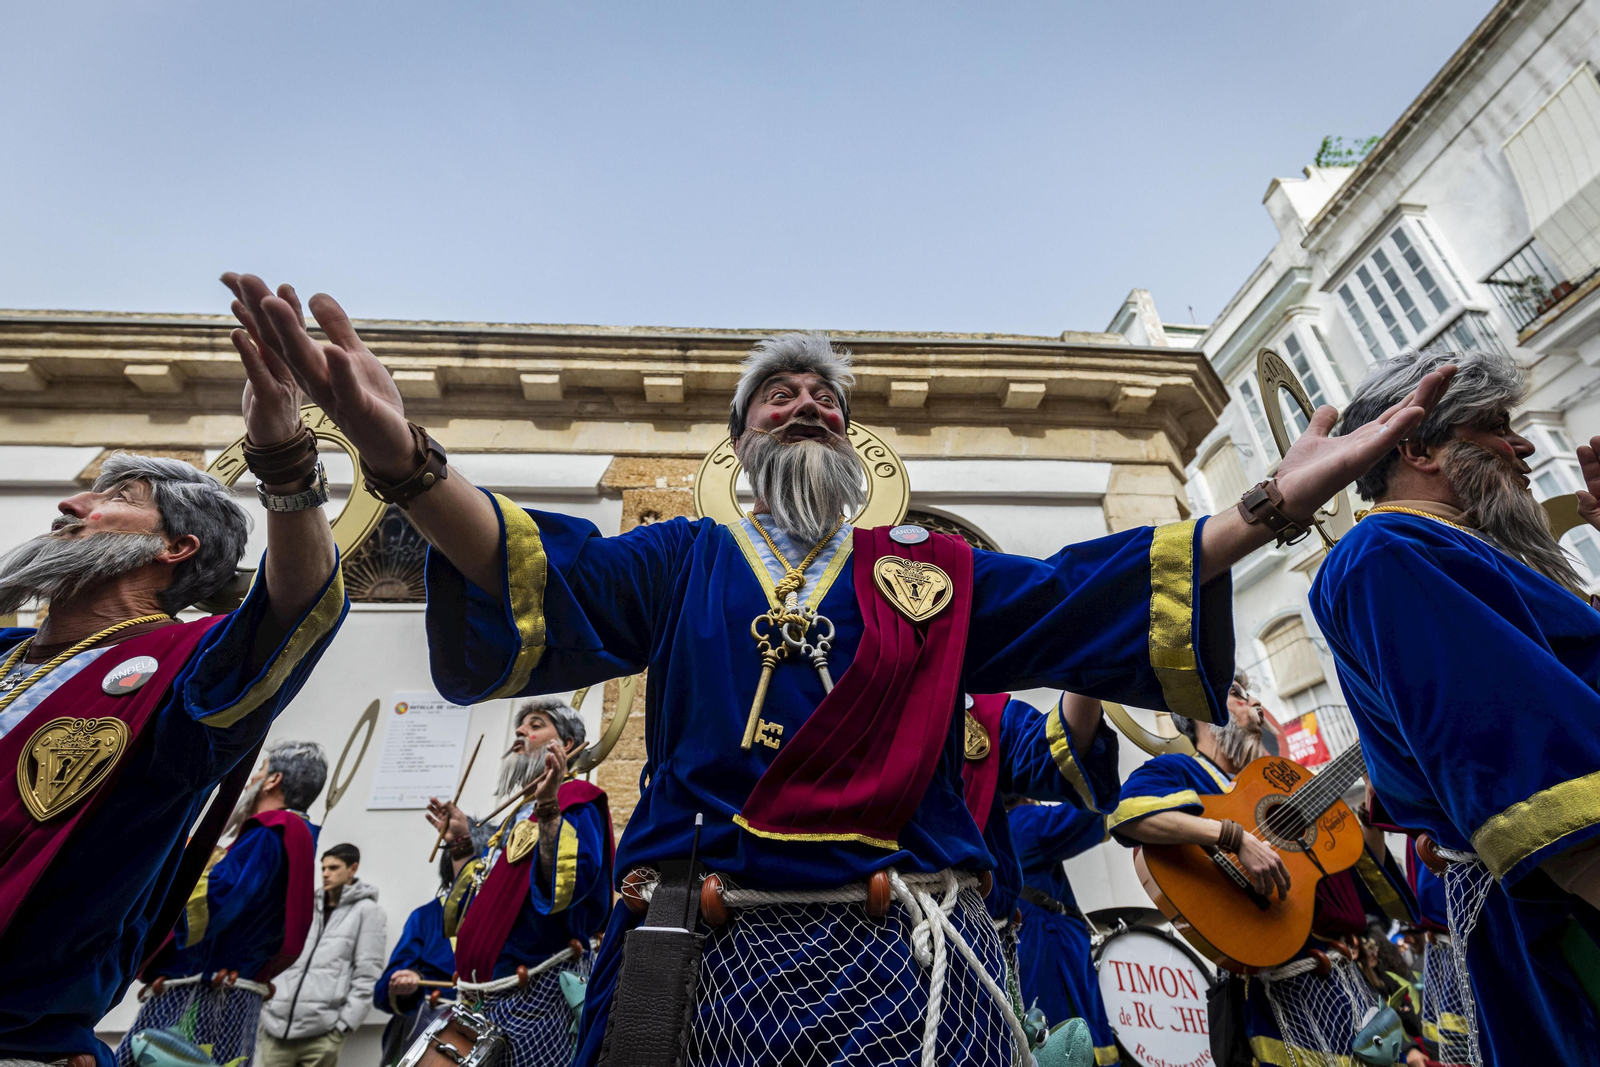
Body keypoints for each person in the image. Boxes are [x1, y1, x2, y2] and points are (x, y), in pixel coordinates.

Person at [226, 271, 1450, 1066]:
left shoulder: (934, 569)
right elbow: (522, 561)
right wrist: (399, 458)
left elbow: (1099, 577)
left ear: (853, 443)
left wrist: (1274, 503)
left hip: (911, 955)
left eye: (825, 395)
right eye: (777, 395)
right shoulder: (683, 558)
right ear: (741, 442)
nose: (805, 403)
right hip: (696, 956)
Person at [0, 308, 346, 1067]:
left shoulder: (186, 665)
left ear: (176, 546)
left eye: (112, 494)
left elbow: (295, 607)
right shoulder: (6, 654)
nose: (73, 505)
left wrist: (283, 459)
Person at [1308, 347, 1600, 1065]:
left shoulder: (1465, 550)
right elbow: (1524, 765)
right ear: (1417, 447)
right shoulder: (1391, 550)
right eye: (1495, 425)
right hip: (1567, 904)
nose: (1522, 443)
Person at [1109, 677, 1415, 1067]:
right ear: (1204, 713)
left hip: (1348, 984)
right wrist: (1233, 837)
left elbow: (1360, 894)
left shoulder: (1278, 787)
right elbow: (1127, 815)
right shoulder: (1180, 771)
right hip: (1279, 1001)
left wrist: (1372, 809)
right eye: (1236, 693)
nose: (1255, 702)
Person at [118, 741, 329, 1067]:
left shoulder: (269, 830)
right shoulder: (297, 833)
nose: (251, 779)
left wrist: (159, 954)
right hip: (234, 990)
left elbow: (218, 902)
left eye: (260, 770)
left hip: (204, 989)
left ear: (273, 780)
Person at [427, 697, 612, 1067]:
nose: (520, 732)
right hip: (482, 994)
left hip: (534, 994)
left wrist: (548, 810)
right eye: (520, 725)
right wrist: (461, 841)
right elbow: (482, 899)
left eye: (536, 724)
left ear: (567, 746)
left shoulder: (577, 800)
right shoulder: (517, 813)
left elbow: (567, 886)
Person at [1008, 797, 1118, 1065]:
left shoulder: (992, 832)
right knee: (1068, 1036)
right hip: (1051, 945)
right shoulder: (1023, 821)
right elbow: (1083, 816)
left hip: (1028, 947)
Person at [259, 843, 388, 1067]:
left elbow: (368, 973)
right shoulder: (305, 904)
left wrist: (344, 1025)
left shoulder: (368, 912)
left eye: (333, 867)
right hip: (275, 1028)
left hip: (323, 1034)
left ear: (353, 868)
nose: (326, 874)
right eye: (323, 868)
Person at [375, 821, 490, 1067]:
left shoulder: (502, 920)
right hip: (431, 1028)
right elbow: (384, 991)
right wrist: (406, 982)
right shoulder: (426, 917)